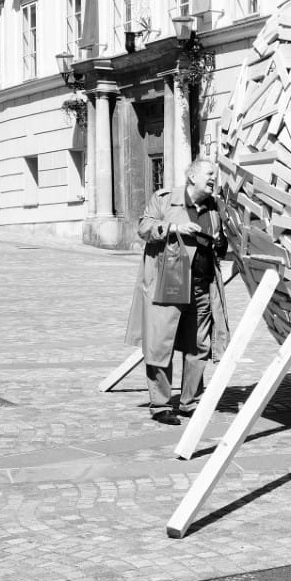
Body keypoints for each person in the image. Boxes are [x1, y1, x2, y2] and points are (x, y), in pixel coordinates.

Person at [125, 158, 230, 425]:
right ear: (192, 176)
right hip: (170, 282)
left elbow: (220, 246)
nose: (213, 179)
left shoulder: (215, 206)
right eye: (209, 174)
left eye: (215, 175)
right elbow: (143, 228)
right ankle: (160, 405)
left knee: (199, 345)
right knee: (161, 343)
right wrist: (173, 228)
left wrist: (220, 243)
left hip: (202, 286)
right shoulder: (165, 200)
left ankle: (189, 402)